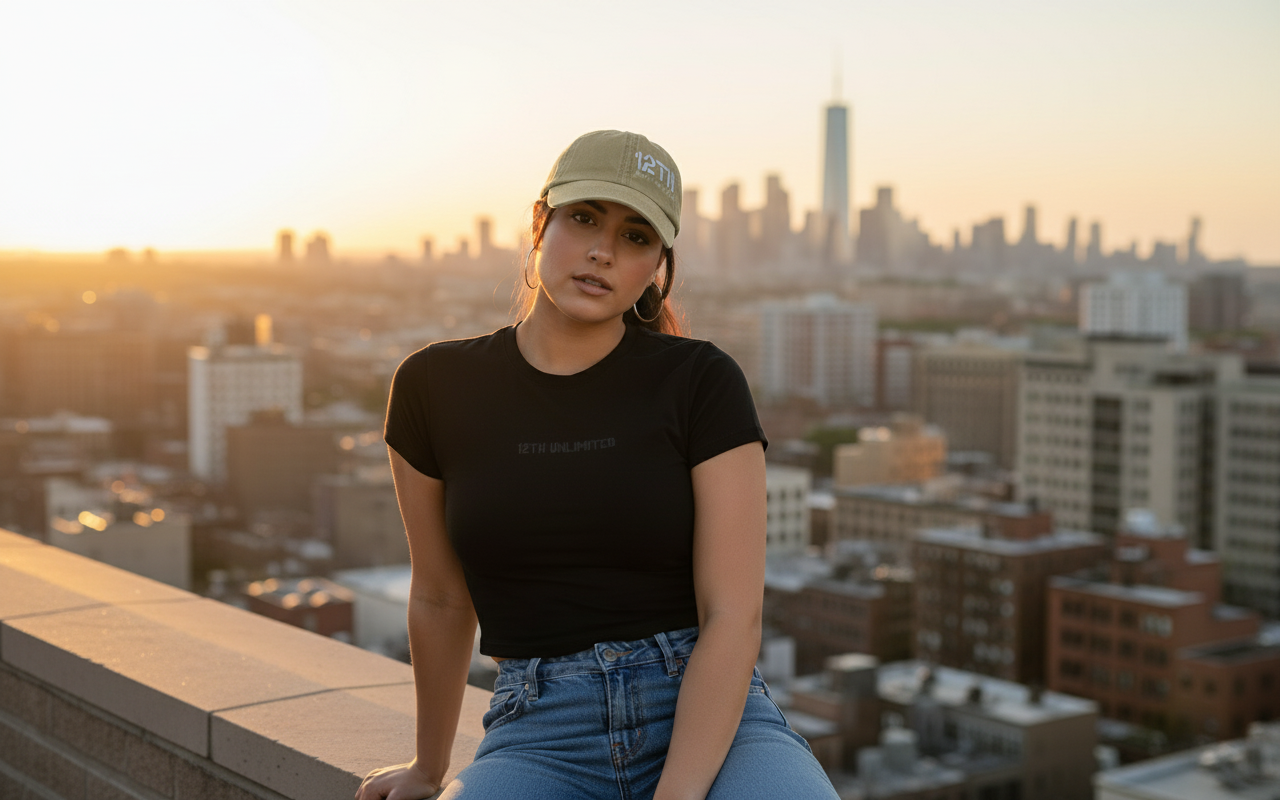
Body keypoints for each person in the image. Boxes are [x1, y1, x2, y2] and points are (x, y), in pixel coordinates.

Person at [358, 130, 838, 800]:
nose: (603, 251)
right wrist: (428, 770)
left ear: (657, 265)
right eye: (584, 218)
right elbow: (439, 596)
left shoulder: (701, 381)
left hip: (711, 718)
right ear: (540, 223)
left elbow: (733, 615)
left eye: (636, 236)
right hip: (540, 731)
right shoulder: (433, 385)